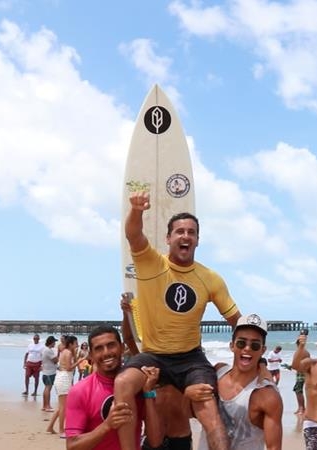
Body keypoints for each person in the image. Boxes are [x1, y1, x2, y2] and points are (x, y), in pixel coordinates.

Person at [114, 191, 241, 450]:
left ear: (197, 240)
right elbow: (133, 235)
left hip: (191, 358)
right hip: (153, 355)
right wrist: (137, 210)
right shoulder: (150, 263)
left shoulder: (210, 278)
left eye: (191, 232)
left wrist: (250, 360)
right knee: (123, 383)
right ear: (168, 238)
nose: (186, 236)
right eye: (180, 231)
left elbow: (237, 322)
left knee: (211, 415)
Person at [186, 314, 283, 450]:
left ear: (263, 350)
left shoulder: (267, 396)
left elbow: (274, 447)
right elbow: (189, 413)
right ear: (232, 345)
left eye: (255, 345)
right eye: (241, 343)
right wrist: (188, 394)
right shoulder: (217, 373)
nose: (247, 348)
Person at [65, 325, 163, 450]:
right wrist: (107, 425)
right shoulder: (80, 391)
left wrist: (148, 393)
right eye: (99, 349)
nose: (106, 352)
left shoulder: (135, 386)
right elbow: (72, 446)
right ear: (91, 355)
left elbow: (155, 440)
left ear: (122, 348)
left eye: (111, 345)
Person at [120, 292, 193, 450]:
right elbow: (128, 338)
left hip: (180, 438)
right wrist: (127, 314)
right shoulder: (148, 360)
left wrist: (261, 365)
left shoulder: (187, 362)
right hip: (153, 439)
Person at [48, 335, 79, 437]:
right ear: (71, 344)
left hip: (63, 378)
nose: (77, 345)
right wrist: (80, 360)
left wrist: (76, 355)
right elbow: (69, 368)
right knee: (63, 407)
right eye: (75, 343)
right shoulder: (68, 352)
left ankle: (50, 426)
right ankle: (61, 430)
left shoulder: (66, 351)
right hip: (64, 378)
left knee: (61, 406)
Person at [42, 336, 59, 412]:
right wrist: (58, 353)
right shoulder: (49, 350)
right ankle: (47, 406)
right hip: (49, 372)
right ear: (51, 342)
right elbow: (55, 360)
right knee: (48, 388)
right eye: (54, 342)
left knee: (46, 388)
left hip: (46, 372)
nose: (55, 343)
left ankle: (44, 405)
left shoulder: (45, 349)